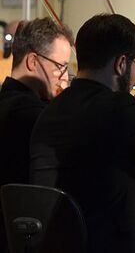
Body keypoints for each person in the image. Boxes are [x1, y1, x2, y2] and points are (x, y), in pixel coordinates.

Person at [30, 13, 135, 253]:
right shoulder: (119, 109)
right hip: (103, 243)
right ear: (121, 64)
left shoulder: (48, 112)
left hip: (51, 243)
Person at [0, 18, 74, 253]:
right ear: (33, 61)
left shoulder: (11, 103)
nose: (65, 76)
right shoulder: (33, 115)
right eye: (61, 66)